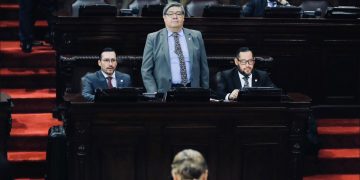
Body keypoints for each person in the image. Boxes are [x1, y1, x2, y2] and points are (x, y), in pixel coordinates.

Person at [141, 2, 209, 93]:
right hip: (165, 93)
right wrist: (154, 94)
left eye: (178, 13)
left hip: (193, 91)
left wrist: (204, 92)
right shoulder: (153, 38)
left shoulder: (196, 36)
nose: (175, 16)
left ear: (183, 17)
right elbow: (146, 71)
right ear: (164, 17)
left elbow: (204, 67)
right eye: (170, 14)